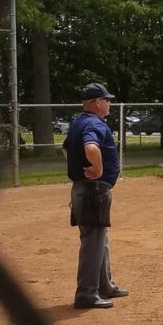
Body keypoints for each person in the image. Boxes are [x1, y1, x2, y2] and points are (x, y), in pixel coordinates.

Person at [62, 83, 128, 310]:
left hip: (85, 189)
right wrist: (97, 170)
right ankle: (86, 294)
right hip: (93, 190)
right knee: (93, 243)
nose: (109, 103)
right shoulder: (93, 123)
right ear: (97, 102)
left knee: (100, 240)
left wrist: (80, 177)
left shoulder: (78, 122)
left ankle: (104, 285)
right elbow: (91, 148)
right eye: (107, 100)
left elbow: (66, 150)